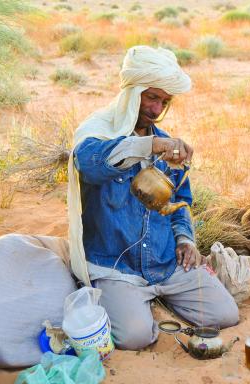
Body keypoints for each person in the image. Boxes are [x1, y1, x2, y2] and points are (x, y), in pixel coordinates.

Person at [68, 46, 239, 350]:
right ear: (133, 92)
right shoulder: (97, 134)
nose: (157, 109)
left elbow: (181, 201)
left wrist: (185, 240)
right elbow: (90, 165)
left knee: (225, 315)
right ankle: (140, 304)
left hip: (164, 262)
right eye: (152, 98)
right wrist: (149, 146)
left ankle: (156, 297)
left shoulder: (164, 142)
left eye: (165, 101)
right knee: (136, 337)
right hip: (117, 268)